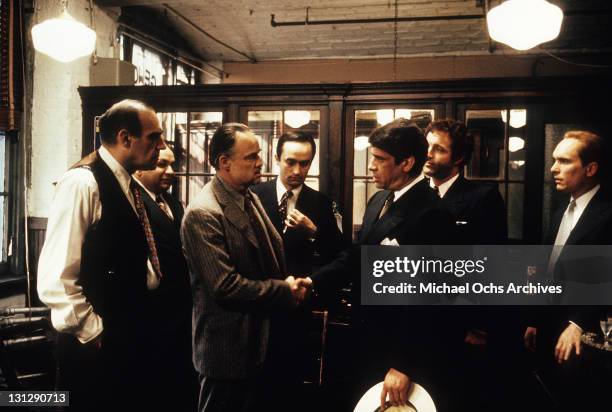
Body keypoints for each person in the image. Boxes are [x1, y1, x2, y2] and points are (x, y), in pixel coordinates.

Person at [308, 118, 458, 411]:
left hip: (400, 356)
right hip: (366, 342)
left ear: (407, 162)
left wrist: (404, 365)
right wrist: (312, 282)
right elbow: (356, 257)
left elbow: (436, 300)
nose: (371, 166)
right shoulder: (378, 201)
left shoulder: (433, 214)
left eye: (380, 159)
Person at [37, 99, 166, 411]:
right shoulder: (83, 183)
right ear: (125, 138)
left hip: (129, 334)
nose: (161, 146)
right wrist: (93, 331)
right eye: (154, 137)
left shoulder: (128, 183)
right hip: (97, 344)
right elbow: (55, 278)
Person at [180, 123, 311, 412]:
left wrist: (290, 281)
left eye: (258, 154)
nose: (260, 162)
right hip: (228, 353)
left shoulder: (247, 197)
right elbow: (224, 286)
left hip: (259, 346)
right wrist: (284, 290)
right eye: (250, 156)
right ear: (224, 163)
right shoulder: (203, 213)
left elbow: (266, 259)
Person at [525, 130, 612, 409]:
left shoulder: (608, 213)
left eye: (563, 161)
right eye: (554, 160)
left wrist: (578, 323)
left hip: (586, 336)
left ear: (590, 168)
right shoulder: (563, 208)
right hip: (550, 327)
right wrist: (535, 319)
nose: (553, 168)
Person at [132, 146, 198, 411]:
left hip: (180, 315)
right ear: (140, 165)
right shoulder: (133, 201)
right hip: (151, 316)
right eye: (161, 164)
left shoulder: (171, 202)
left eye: (172, 165)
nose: (170, 172)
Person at [251, 131, 344, 278]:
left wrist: (314, 232)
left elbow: (339, 255)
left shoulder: (322, 204)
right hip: (261, 292)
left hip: (301, 293)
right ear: (277, 159)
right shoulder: (253, 196)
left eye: (304, 163)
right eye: (290, 162)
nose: (297, 171)